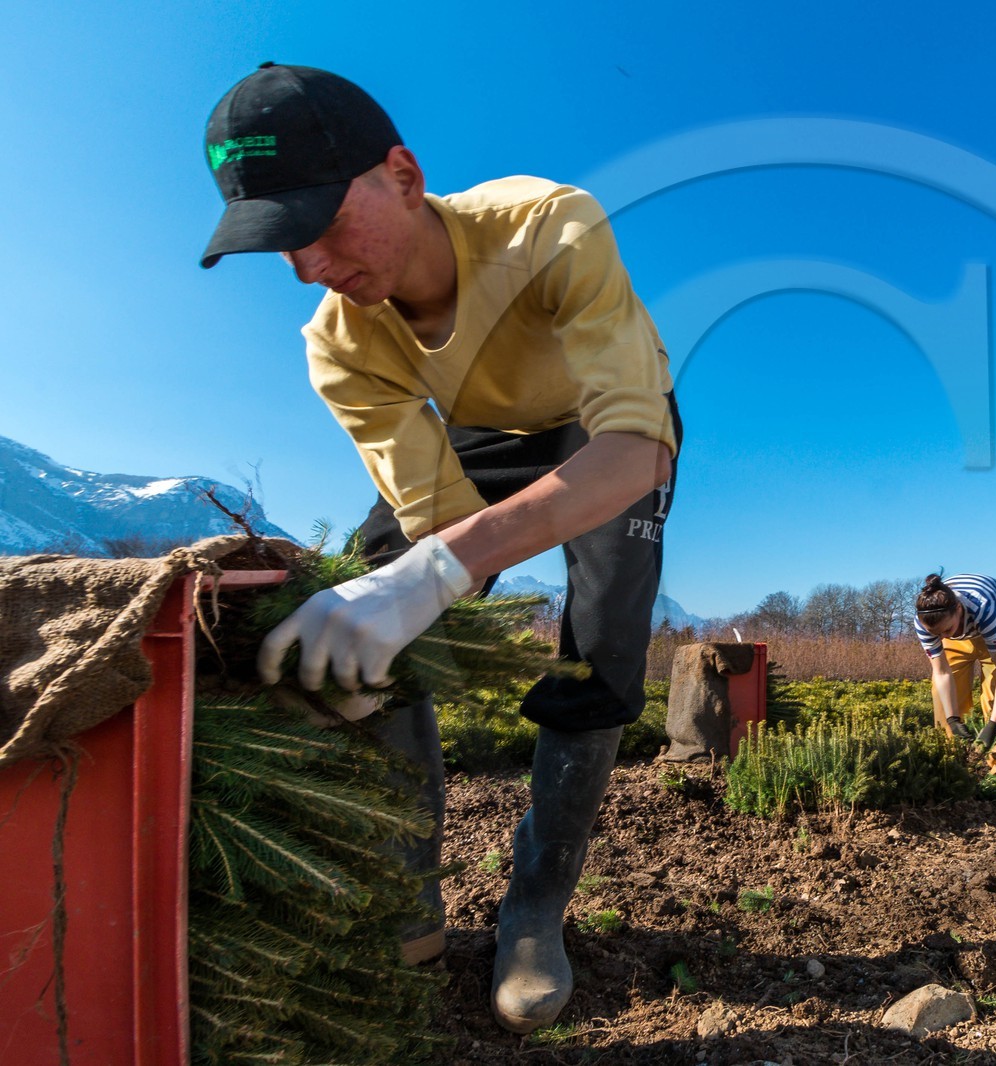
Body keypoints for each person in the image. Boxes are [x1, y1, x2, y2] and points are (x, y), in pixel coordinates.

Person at [200, 63, 679, 1034]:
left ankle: (535, 907)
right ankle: (408, 896)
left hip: (609, 429)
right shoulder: (338, 344)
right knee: (372, 609)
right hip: (480, 434)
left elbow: (635, 450)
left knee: (600, 650)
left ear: (404, 176)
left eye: (322, 222)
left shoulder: (548, 226)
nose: (309, 265)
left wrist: (439, 570)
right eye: (282, 241)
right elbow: (440, 522)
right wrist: (409, 594)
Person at [912, 573, 996, 771]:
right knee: (943, 697)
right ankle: (952, 766)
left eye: (946, 631)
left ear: (959, 609)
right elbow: (942, 673)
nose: (942, 638)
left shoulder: (983, 607)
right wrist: (953, 720)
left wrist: (994, 724)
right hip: (962, 627)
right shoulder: (926, 622)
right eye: (936, 634)